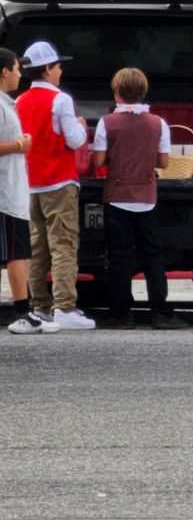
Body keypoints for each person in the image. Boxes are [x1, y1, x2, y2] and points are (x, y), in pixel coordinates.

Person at [16, 40, 95, 332]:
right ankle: (64, 307)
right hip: (59, 183)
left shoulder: (19, 101)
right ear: (47, 68)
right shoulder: (61, 100)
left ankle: (39, 306)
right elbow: (74, 140)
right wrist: (81, 126)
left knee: (36, 248)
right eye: (58, 66)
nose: (61, 71)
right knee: (63, 245)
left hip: (29, 185)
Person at [92, 66, 178, 328]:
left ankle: (121, 313)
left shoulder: (107, 122)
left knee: (119, 256)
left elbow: (98, 160)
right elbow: (163, 162)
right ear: (143, 92)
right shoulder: (158, 123)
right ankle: (160, 311)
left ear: (117, 93)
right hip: (147, 197)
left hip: (117, 196)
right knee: (152, 255)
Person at [0, 49, 38, 334]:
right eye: (16, 69)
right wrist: (19, 145)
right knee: (17, 253)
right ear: (4, 72)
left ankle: (25, 311)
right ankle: (22, 312)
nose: (20, 74)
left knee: (18, 252)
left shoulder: (7, 102)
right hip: (5, 194)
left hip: (12, 189)